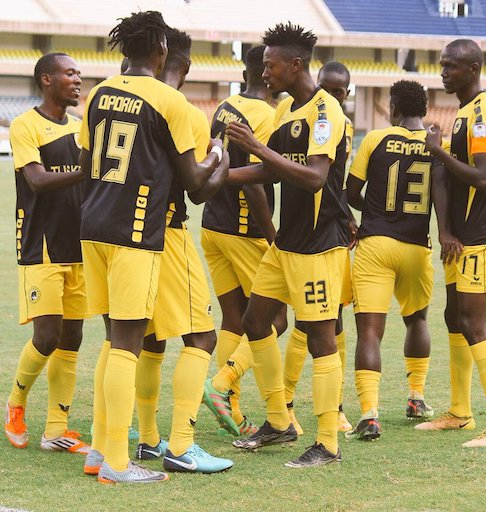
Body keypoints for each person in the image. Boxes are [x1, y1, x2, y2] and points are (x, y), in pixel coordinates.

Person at [78, 11, 228, 484]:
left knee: (113, 341)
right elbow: (197, 186)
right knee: (132, 344)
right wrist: (220, 154)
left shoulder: (99, 92)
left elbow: (86, 163)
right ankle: (122, 464)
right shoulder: (171, 102)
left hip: (94, 226)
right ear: (161, 50)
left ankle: (102, 452)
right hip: (138, 234)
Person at [223, 22, 351, 468]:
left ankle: (328, 444)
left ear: (296, 65)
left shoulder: (324, 112)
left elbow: (315, 178)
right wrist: (212, 180)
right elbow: (270, 171)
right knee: (255, 323)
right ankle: (278, 421)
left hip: (319, 246)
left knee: (320, 340)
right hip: (286, 243)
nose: (265, 73)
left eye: (271, 65)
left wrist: (256, 147)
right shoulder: (286, 112)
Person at [131, 26, 232, 474]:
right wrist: (221, 158)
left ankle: (149, 440)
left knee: (148, 339)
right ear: (183, 64)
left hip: (127, 235)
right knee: (202, 336)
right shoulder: (183, 111)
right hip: (169, 233)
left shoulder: (127, 101)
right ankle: (182, 444)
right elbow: (196, 190)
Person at [418, 38, 486, 447]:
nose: (443, 72)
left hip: (482, 235)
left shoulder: (484, 110)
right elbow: (448, 178)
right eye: (442, 65)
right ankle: (460, 412)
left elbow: (483, 177)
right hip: (460, 237)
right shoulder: (463, 112)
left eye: (451, 66)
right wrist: (445, 230)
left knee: (475, 323)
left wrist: (437, 152)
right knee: (454, 317)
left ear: (473, 68)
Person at [343, 80, 440, 441]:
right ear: (424, 111)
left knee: (370, 331)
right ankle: (416, 397)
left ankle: (369, 415)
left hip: (376, 243)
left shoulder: (375, 140)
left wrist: (376, 214)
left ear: (393, 109)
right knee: (418, 320)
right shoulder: (434, 146)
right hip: (417, 245)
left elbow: (350, 191)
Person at [4, 52, 90, 454]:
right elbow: (37, 181)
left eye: (78, 73)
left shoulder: (79, 127)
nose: (77, 79)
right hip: (41, 243)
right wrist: (89, 171)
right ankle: (16, 404)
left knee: (72, 335)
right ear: (46, 79)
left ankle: (57, 429)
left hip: (79, 245)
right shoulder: (25, 125)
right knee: (47, 335)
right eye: (69, 73)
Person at [200, 44, 287, 438]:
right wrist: (273, 238)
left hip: (212, 226)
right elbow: (256, 183)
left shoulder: (224, 106)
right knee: (275, 318)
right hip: (244, 230)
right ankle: (222, 383)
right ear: (268, 72)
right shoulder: (266, 115)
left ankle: (232, 409)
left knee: (234, 318)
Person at [282, 60, 355, 436]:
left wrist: (348, 216)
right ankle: (286, 407)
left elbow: (334, 182)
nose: (332, 97)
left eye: (339, 92)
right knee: (310, 326)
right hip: (306, 239)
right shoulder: (307, 112)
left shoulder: (338, 121)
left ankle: (334, 413)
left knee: (329, 323)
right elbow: (313, 177)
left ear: (348, 93)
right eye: (327, 89)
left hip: (332, 234)